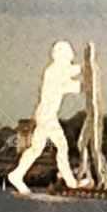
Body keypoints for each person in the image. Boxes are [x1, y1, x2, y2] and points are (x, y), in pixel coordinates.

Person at [8, 40, 81, 194]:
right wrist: (87, 72)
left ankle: (17, 174)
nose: (70, 58)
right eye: (67, 55)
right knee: (61, 145)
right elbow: (70, 82)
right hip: (47, 115)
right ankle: (69, 180)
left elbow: (71, 74)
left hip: (45, 114)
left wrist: (85, 73)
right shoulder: (54, 71)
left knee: (36, 149)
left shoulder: (56, 70)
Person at [75, 42, 107, 189]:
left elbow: (93, 90)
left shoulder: (93, 69)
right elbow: (85, 88)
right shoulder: (87, 70)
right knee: (81, 143)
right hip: (90, 113)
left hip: (96, 112)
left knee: (96, 148)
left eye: (88, 53)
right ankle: (87, 176)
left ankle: (105, 181)